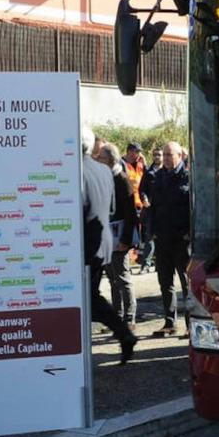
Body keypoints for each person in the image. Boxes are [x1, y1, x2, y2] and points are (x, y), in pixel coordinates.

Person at [81, 128, 138, 363]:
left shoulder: (75, 171)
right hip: (102, 244)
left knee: (90, 298)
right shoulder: (103, 171)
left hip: (85, 246)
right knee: (90, 296)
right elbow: (112, 209)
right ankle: (123, 334)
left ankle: (123, 333)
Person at [147, 141, 191, 336]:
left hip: (182, 240)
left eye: (169, 155)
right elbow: (152, 208)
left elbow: (195, 208)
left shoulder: (188, 177)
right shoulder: (157, 178)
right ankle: (170, 322)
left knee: (187, 283)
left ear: (180, 156)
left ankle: (192, 325)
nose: (165, 158)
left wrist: (190, 232)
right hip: (163, 239)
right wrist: (152, 231)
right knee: (165, 282)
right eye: (163, 155)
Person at [98, 143, 138, 329]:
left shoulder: (122, 180)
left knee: (123, 277)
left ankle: (129, 317)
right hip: (105, 238)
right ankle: (117, 315)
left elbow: (131, 214)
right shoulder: (104, 178)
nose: (99, 161)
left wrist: (125, 240)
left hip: (119, 238)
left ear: (111, 160)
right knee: (112, 278)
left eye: (102, 158)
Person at [136, 146, 164, 272]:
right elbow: (142, 189)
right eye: (155, 155)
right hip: (150, 210)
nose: (157, 157)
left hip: (164, 210)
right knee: (150, 237)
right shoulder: (148, 172)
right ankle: (145, 264)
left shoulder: (167, 170)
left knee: (163, 237)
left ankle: (161, 264)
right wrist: (145, 199)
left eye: (159, 154)